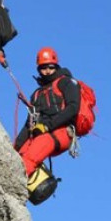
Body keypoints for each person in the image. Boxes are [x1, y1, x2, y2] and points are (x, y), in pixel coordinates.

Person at [14, 47, 83, 177]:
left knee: (30, 158)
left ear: (56, 66)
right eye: (43, 68)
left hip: (61, 131)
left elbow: (73, 108)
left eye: (50, 67)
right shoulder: (37, 94)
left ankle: (15, 185)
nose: (47, 71)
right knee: (17, 157)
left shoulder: (66, 82)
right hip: (41, 132)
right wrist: (15, 147)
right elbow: (29, 124)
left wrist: (47, 126)